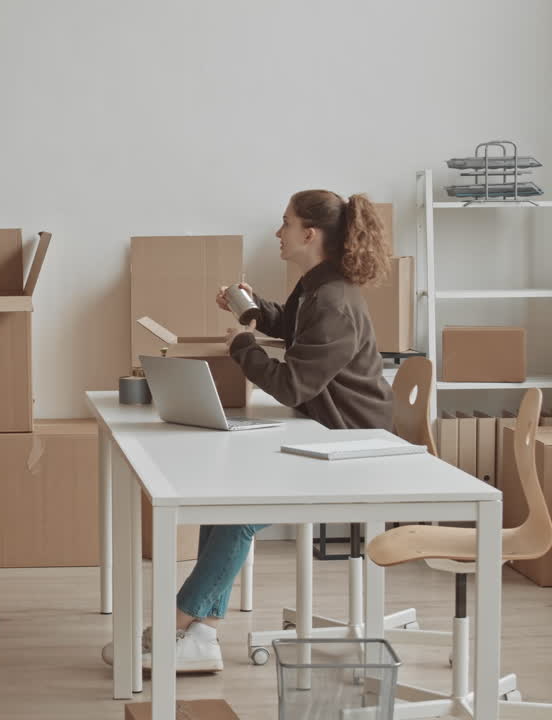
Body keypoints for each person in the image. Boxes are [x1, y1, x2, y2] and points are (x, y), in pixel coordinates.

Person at [102, 189, 395, 672]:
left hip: (352, 449)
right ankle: (201, 637)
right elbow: (296, 328)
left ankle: (176, 622)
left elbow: (292, 383)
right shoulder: (318, 286)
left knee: (240, 513)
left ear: (309, 233)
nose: (278, 233)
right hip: (324, 435)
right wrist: (251, 308)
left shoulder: (333, 300)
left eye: (285, 223)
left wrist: (243, 346)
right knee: (228, 501)